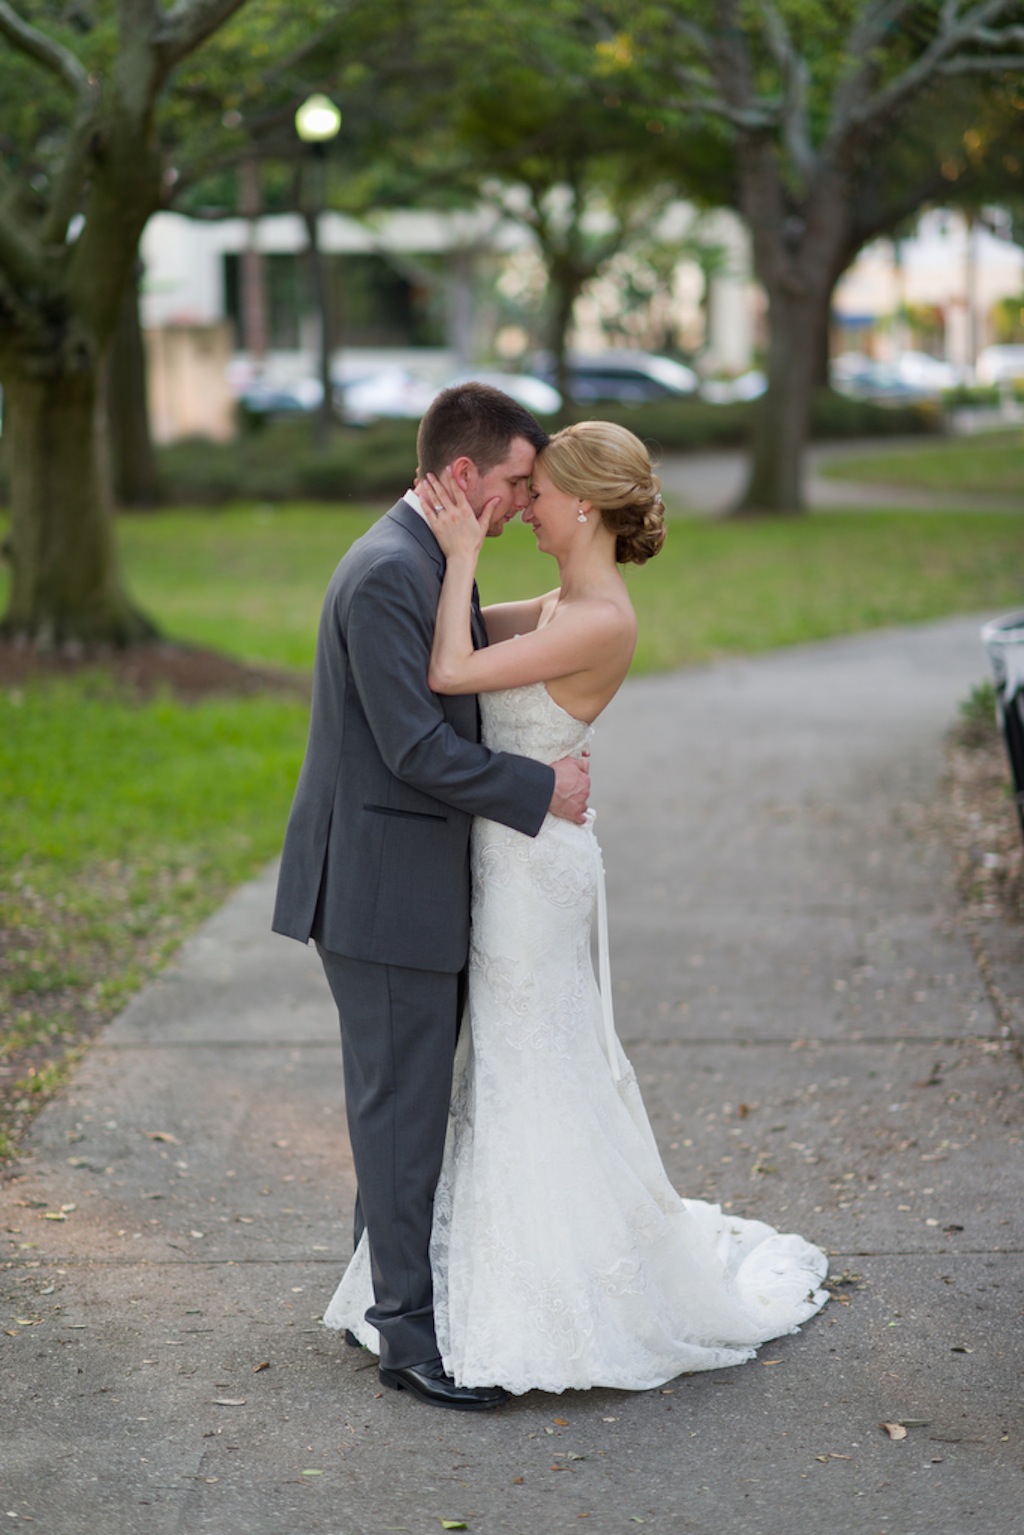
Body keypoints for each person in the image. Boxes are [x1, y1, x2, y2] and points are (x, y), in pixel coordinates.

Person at [324, 419, 829, 1395]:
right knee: (497, 1071)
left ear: (585, 504)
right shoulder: (563, 599)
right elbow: (464, 631)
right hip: (506, 850)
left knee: (526, 1067)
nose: (527, 508)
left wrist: (461, 548)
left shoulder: (602, 618)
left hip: (531, 873)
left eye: (540, 493)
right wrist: (435, 560)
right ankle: (436, 1287)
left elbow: (451, 672)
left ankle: (538, 1296)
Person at [272, 383, 591, 1413]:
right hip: (381, 889)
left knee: (400, 1108)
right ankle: (408, 1342)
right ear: (461, 474)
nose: (515, 500)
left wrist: (574, 603)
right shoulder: (383, 575)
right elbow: (413, 748)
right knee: (403, 1116)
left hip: (394, 879)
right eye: (512, 481)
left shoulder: (422, 560)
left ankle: (383, 1296)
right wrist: (543, 790)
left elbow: (457, 661)